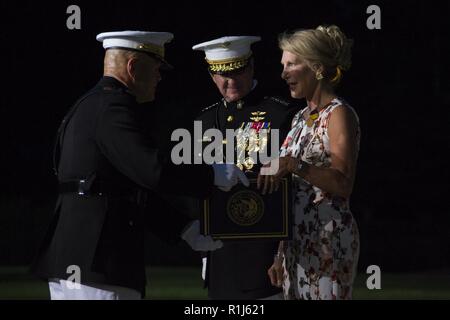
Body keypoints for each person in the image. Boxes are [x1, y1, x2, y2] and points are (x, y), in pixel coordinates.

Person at [31, 31, 248, 300]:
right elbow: (151, 170)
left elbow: (122, 188)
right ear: (133, 67)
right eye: (157, 69)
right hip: (99, 261)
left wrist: (184, 229)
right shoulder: (114, 107)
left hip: (78, 258)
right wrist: (212, 174)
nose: (159, 77)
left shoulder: (89, 105)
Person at [192, 36, 299, 299]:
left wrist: (282, 252)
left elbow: (294, 188)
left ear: (251, 66)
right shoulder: (204, 120)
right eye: (222, 75)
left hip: (264, 250)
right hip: (219, 253)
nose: (230, 82)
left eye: (237, 72)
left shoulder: (279, 113)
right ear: (211, 75)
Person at [258, 25, 360, 300]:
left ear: (316, 67)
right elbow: (291, 193)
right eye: (283, 65)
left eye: (291, 64)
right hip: (295, 242)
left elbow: (343, 182)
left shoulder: (339, 114)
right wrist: (280, 253)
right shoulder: (299, 118)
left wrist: (293, 165)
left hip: (327, 239)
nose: (283, 73)